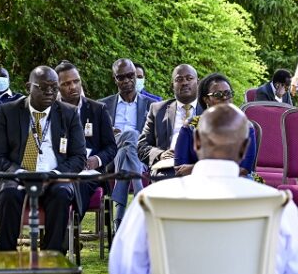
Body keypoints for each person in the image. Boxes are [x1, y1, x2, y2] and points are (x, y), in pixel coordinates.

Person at [109, 103, 298, 274]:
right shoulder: (275, 203)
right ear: (245, 147)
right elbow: (297, 272)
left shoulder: (151, 199)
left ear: (195, 142)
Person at [0, 66, 86, 252]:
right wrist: (20, 173)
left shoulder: (68, 113)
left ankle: (52, 256)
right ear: (28, 87)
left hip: (55, 178)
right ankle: (5, 257)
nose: (49, 92)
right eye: (43, 87)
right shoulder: (7, 112)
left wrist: (54, 174)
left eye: (54, 87)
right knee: (9, 194)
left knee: (62, 193)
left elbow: (79, 157)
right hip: (17, 176)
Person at [99, 58, 156, 228]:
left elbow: (154, 136)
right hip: (111, 153)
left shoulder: (151, 105)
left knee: (129, 145)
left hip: (137, 156)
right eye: (121, 77)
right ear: (114, 78)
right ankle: (139, 192)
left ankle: (119, 221)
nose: (127, 81)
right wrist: (110, 133)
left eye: (130, 76)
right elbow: (97, 138)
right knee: (130, 136)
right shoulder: (103, 105)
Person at [55, 60, 117, 218]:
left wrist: (96, 160)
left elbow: (111, 147)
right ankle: (64, 231)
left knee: (79, 183)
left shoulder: (97, 109)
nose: (73, 86)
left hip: (90, 171)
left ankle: (72, 226)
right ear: (57, 87)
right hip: (60, 168)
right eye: (67, 83)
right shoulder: (51, 111)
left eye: (76, 81)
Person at [173, 73, 257, 177]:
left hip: (238, 184)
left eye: (228, 93)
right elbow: (180, 169)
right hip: (197, 183)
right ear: (206, 99)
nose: (225, 97)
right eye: (218, 94)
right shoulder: (191, 126)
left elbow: (244, 170)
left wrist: (196, 168)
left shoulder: (245, 127)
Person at [138, 64, 201, 178]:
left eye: (189, 78)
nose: (185, 82)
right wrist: (160, 154)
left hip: (198, 169)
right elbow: (142, 146)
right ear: (172, 85)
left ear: (198, 82)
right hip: (167, 170)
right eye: (179, 79)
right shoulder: (157, 110)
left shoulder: (208, 110)